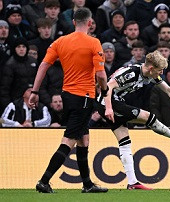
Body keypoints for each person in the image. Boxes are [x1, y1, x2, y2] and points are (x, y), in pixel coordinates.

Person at [28, 7, 109, 193]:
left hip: (67, 96)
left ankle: (87, 184)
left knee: (83, 139)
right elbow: (102, 75)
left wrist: (35, 90)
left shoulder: (60, 41)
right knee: (69, 140)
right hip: (85, 97)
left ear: (74, 22)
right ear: (90, 23)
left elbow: (43, 65)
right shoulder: (94, 43)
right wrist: (104, 92)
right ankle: (44, 180)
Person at [95, 50, 170, 190]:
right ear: (151, 68)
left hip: (113, 103)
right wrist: (109, 108)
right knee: (147, 117)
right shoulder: (132, 73)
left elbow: (169, 90)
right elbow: (108, 87)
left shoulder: (150, 75)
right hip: (107, 102)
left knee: (125, 142)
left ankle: (132, 182)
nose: (162, 73)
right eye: (160, 70)